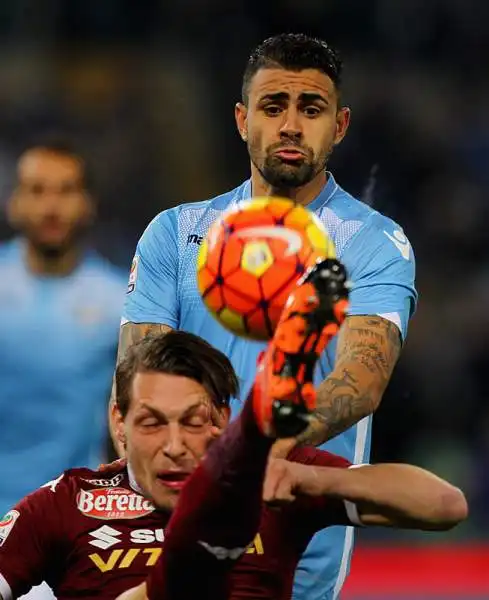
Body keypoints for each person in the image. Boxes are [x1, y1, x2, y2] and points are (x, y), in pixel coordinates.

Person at [115, 33, 417, 599]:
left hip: (298, 549)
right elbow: (136, 380)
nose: (291, 127)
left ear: (341, 125)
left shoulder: (374, 243)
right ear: (240, 118)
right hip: (177, 537)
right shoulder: (177, 235)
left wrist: (248, 456)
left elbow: (359, 383)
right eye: (273, 107)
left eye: (312, 109)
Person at [0, 262, 465, 600]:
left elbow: (446, 505)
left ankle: (257, 430)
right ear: (118, 423)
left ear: (220, 418)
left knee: (214, 525)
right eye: (152, 423)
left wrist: (316, 480)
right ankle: (259, 424)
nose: (175, 447)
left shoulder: (282, 482)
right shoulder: (68, 500)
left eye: (194, 421)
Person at [0, 137, 126, 516]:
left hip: (70, 524)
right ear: (14, 203)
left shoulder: (119, 302)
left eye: (66, 191)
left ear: (88, 204)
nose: (51, 206)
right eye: (37, 191)